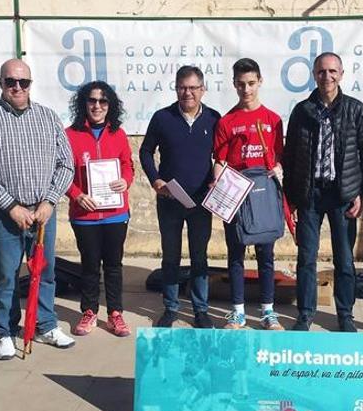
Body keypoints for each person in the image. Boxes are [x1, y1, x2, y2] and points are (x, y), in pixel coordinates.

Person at [0, 58, 75, 360]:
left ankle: (45, 325)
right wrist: (11, 207)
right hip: (5, 215)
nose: (17, 87)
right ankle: (6, 332)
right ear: (1, 83)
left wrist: (50, 200)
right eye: (11, 82)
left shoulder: (48, 117)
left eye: (23, 82)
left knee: (45, 271)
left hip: (42, 214)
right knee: (7, 276)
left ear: (30, 84)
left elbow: (65, 163)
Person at [282, 52, 363, 332]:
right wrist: (292, 197)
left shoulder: (356, 110)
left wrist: (361, 193)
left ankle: (345, 314)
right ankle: (305, 314)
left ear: (342, 74)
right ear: (314, 75)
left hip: (342, 195)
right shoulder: (302, 111)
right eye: (322, 71)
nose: (327, 76)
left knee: (345, 260)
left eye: (333, 71)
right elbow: (290, 157)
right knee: (306, 258)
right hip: (310, 195)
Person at [139, 65, 221, 328]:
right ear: (176, 89)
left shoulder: (214, 118)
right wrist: (156, 180)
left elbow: (222, 156)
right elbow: (145, 152)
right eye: (183, 87)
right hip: (170, 201)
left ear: (203, 89)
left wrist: (218, 179)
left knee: (200, 256)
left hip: (201, 202)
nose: (188, 93)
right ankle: (171, 307)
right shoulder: (162, 118)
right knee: (171, 256)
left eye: (193, 88)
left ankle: (201, 309)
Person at [213, 58, 284, 330]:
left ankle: (268, 311)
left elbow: (280, 156)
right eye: (241, 84)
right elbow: (219, 160)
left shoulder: (273, 120)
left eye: (252, 83)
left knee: (266, 255)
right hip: (236, 194)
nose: (247, 89)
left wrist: (279, 168)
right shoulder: (226, 121)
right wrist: (217, 181)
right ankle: (238, 312)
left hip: (264, 194)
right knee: (236, 253)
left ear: (260, 82)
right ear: (234, 85)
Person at [64, 81, 133, 338]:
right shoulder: (69, 134)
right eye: (92, 100)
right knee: (90, 265)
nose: (97, 106)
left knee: (114, 265)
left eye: (103, 101)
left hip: (116, 213)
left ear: (110, 106)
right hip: (85, 215)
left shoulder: (119, 134)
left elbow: (128, 166)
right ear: (84, 103)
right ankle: (89, 310)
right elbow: (62, 174)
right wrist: (76, 195)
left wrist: (125, 180)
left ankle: (115, 313)